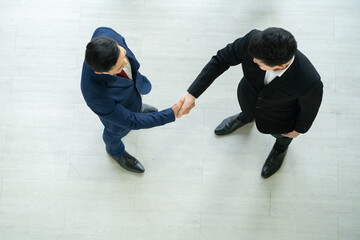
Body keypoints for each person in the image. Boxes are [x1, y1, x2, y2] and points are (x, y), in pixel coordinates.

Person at [177, 27, 323, 178]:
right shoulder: (253, 40)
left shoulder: (309, 80)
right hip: (248, 95)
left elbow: (310, 109)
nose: (252, 60)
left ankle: (280, 150)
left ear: (279, 67)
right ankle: (245, 118)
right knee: (247, 112)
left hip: (281, 118)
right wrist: (192, 94)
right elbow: (221, 60)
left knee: (283, 137)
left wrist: (299, 129)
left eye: (258, 62)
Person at [81, 27, 188, 174]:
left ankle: (137, 107)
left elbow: (123, 45)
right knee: (114, 134)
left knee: (135, 106)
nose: (126, 63)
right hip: (118, 120)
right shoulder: (96, 96)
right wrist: (171, 113)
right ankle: (115, 152)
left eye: (123, 54)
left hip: (129, 96)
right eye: (119, 66)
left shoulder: (103, 33)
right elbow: (132, 121)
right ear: (100, 72)